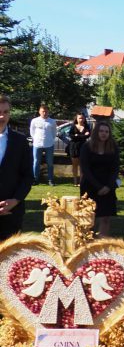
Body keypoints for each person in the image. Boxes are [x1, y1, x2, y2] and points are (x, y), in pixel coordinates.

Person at [0, 95, 33, 242]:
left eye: (6, 112)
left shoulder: (20, 141)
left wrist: (15, 200)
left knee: (10, 254)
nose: (2, 116)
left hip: (12, 213)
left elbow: (28, 176)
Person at [79, 121, 120, 237]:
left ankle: (102, 242)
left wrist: (108, 186)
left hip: (108, 186)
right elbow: (85, 169)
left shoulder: (113, 148)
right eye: (101, 131)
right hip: (90, 185)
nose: (104, 134)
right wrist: (98, 187)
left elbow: (115, 168)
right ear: (96, 132)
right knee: (88, 217)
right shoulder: (86, 147)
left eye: (106, 131)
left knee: (105, 217)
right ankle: (87, 241)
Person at [29, 104, 57, 186]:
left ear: (48, 112)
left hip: (49, 144)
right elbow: (32, 131)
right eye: (43, 111)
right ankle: (35, 179)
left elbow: (54, 132)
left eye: (46, 111)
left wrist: (50, 139)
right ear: (39, 112)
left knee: (50, 163)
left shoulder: (52, 121)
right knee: (36, 162)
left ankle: (50, 180)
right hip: (37, 144)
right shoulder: (34, 121)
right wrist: (35, 138)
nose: (44, 113)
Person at [66, 112, 91, 185]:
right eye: (79, 118)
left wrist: (77, 135)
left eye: (82, 118)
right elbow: (71, 136)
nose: (81, 119)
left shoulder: (87, 127)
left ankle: (81, 181)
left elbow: (88, 135)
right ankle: (75, 181)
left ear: (84, 119)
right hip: (74, 147)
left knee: (82, 166)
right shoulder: (73, 126)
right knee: (74, 165)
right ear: (76, 119)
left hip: (83, 147)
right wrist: (82, 135)